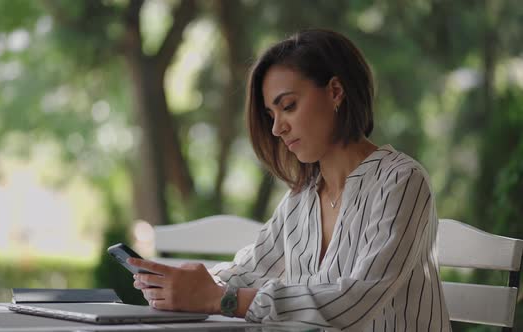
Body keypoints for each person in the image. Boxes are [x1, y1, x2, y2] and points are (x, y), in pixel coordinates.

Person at [129, 28, 451, 331]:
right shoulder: (301, 200)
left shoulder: (401, 181)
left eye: (289, 106)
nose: (276, 128)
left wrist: (220, 300)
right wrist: (176, 285)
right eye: (271, 115)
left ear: (335, 92)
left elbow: (353, 302)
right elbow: (247, 271)